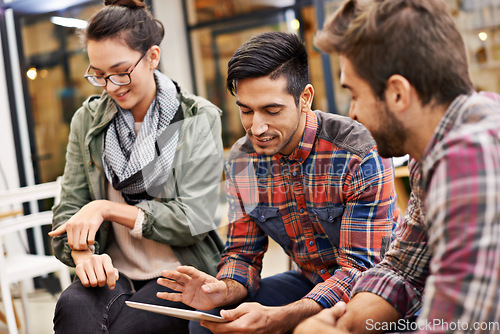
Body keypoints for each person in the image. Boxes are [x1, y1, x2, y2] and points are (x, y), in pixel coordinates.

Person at [157, 31, 401, 334]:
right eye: (246, 110)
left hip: (375, 289)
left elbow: (360, 270)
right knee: (208, 323)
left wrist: (279, 317)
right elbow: (242, 253)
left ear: (305, 99)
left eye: (272, 111)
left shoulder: (357, 153)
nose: (257, 128)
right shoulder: (243, 160)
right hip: (309, 280)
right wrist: (224, 289)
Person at [295, 0, 500, 333]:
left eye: (356, 94)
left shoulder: (469, 158)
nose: (352, 113)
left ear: (397, 94)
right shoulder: (435, 150)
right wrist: (344, 324)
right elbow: (405, 268)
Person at [49, 0, 224, 333]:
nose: (112, 86)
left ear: (153, 57)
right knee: (73, 308)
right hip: (116, 270)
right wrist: (84, 255)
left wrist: (107, 209)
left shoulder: (197, 117)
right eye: (99, 76)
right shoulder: (87, 120)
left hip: (181, 270)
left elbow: (194, 219)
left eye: (121, 71)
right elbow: (69, 207)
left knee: (131, 327)